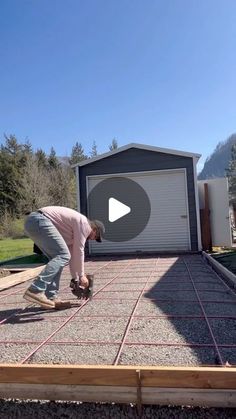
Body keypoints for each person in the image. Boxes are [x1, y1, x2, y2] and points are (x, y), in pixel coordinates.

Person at [23, 206, 105, 309]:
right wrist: (82, 275)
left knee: (58, 259)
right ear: (94, 229)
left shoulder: (72, 233)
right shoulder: (85, 224)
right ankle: (35, 289)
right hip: (40, 220)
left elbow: (72, 258)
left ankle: (51, 297)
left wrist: (76, 279)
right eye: (96, 237)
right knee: (62, 255)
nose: (93, 239)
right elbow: (79, 251)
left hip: (33, 222)